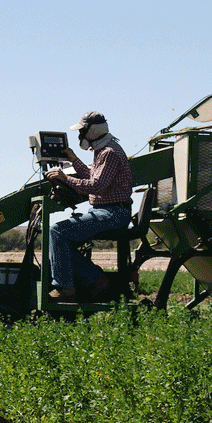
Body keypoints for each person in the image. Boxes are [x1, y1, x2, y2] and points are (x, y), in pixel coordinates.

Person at [44, 111, 133, 302]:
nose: (80, 136)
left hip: (113, 212)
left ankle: (66, 288)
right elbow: (93, 179)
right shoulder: (104, 150)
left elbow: (97, 186)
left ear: (91, 131)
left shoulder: (109, 153)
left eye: (82, 131)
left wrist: (65, 179)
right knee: (61, 244)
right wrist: (74, 160)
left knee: (57, 232)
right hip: (108, 211)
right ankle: (96, 279)